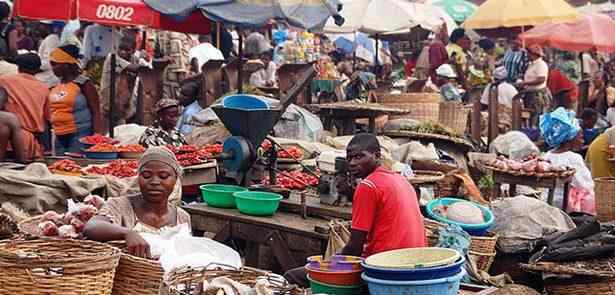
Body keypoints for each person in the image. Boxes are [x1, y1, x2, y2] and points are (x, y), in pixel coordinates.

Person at [284, 133, 426, 287]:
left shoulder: (368, 186)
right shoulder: (400, 180)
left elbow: (354, 247)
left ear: (377, 155)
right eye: (349, 158)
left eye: (359, 157)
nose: (352, 163)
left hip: (383, 269)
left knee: (292, 276)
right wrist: (352, 193)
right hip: (414, 265)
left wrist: (330, 263)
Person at [84, 146, 190, 258]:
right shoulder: (120, 205)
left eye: (163, 176)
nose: (154, 182)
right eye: (146, 176)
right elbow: (91, 227)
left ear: (176, 179)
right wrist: (127, 233)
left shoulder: (182, 217)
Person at [48, 45, 103, 155]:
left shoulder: (84, 83)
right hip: (59, 134)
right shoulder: (54, 85)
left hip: (80, 134)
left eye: (55, 64)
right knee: (60, 167)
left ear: (67, 65)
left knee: (76, 165)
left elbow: (96, 110)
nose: (52, 68)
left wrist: (97, 136)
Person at [541, 107, 595, 215]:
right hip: (564, 205)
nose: (583, 141)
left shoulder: (547, 155)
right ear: (570, 139)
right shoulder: (574, 158)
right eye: (580, 137)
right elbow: (586, 185)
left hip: (546, 200)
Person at [0, 53, 49, 161]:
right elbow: (46, 120)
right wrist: (46, 147)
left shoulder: (4, 81)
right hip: (31, 144)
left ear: (18, 67)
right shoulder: (44, 88)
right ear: (37, 70)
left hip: (8, 140)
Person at [99, 36, 141, 131]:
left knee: (120, 137)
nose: (123, 52)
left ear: (134, 50)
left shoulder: (134, 59)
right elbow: (134, 68)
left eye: (127, 50)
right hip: (108, 106)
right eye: (121, 49)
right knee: (104, 138)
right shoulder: (112, 57)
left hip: (122, 107)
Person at [518, 45, 550, 127]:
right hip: (529, 93)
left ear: (534, 54)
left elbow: (541, 79)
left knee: (537, 115)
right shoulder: (531, 64)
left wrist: (525, 83)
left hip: (537, 94)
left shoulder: (541, 65)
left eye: (528, 53)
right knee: (531, 115)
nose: (527, 55)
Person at [36, 21, 62, 87]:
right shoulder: (49, 38)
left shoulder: (51, 38)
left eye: (40, 27)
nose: (38, 30)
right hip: (46, 78)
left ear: (46, 27)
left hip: (48, 79)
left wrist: (33, 64)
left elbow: (49, 62)